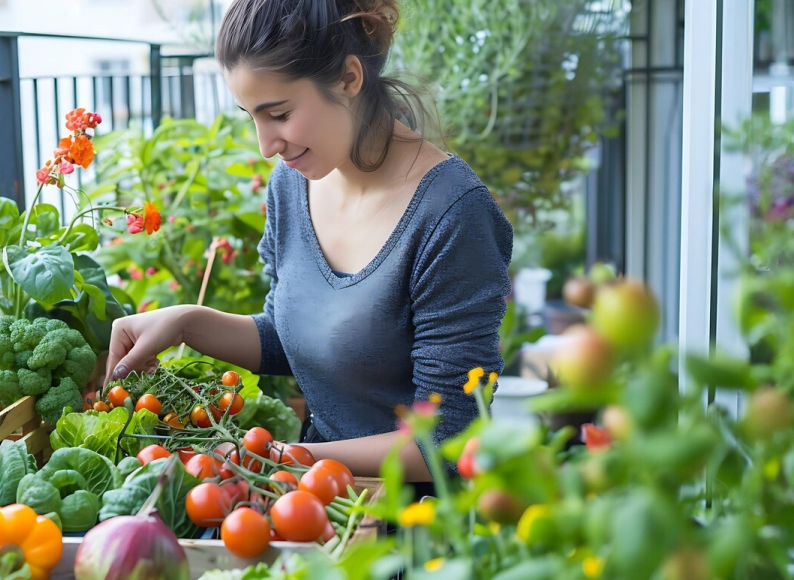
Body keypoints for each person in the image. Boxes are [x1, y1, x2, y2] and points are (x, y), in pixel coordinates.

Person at [104, 0, 513, 484]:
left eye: (278, 113)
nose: (265, 144)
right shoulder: (292, 184)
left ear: (349, 78)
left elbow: (446, 443)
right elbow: (296, 337)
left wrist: (276, 453)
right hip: (314, 501)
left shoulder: (451, 214)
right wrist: (185, 322)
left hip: (412, 531)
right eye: (250, 116)